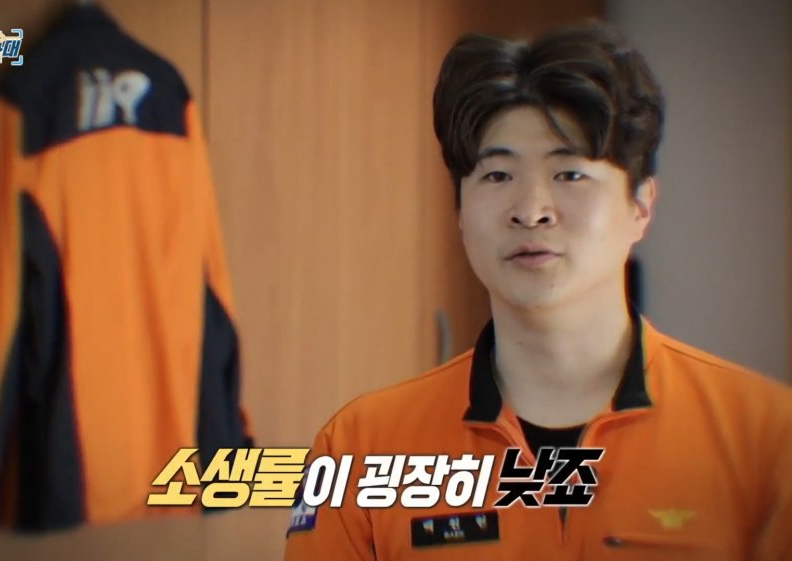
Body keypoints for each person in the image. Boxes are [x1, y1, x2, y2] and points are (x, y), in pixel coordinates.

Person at [282, 20, 792, 561]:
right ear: (460, 212)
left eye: (569, 174)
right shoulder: (358, 450)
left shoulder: (766, 437)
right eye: (497, 176)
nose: (530, 211)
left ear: (641, 205)